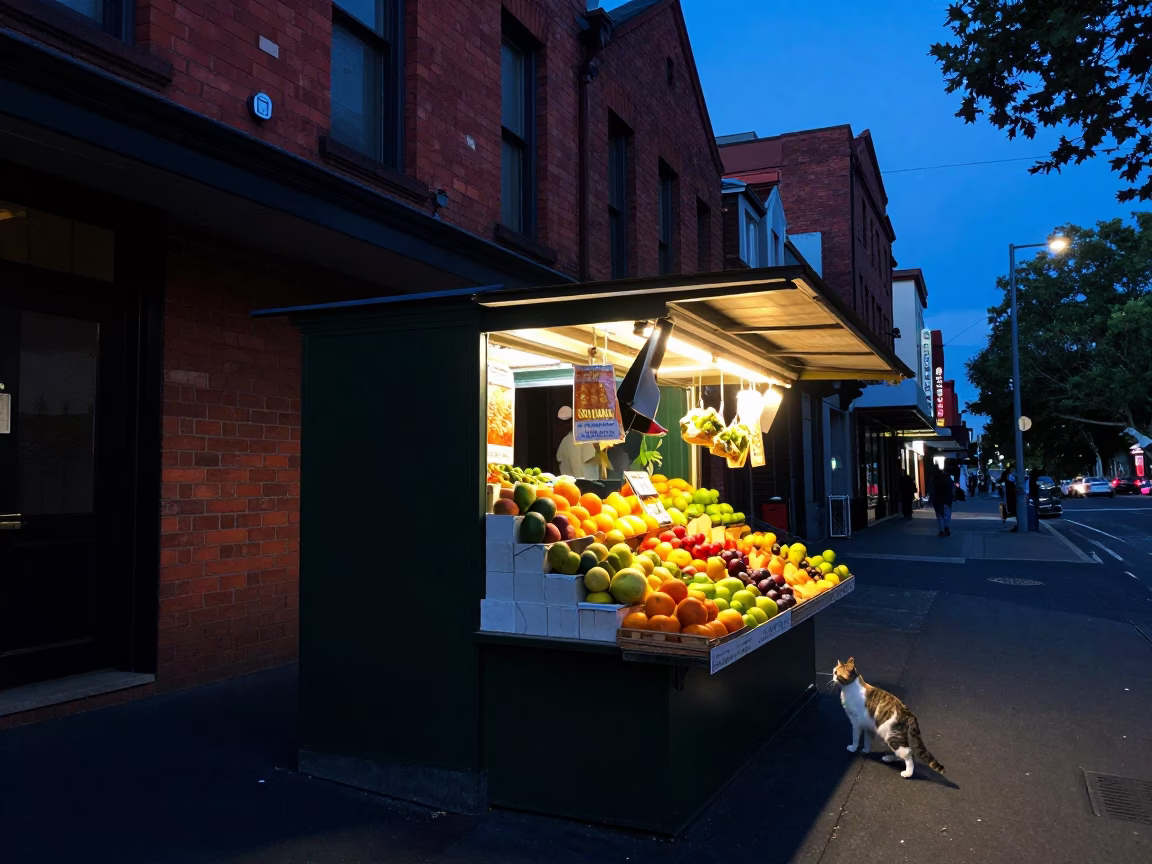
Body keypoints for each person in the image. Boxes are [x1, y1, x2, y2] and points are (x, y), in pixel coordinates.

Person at [929, 467, 955, 537]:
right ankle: (945, 526)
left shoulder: (933, 479)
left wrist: (931, 500)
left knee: (940, 516)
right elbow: (953, 490)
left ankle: (941, 530)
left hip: (937, 500)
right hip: (947, 500)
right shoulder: (949, 479)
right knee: (947, 515)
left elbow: (932, 490)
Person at [1002, 463, 1018, 532]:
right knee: (1011, 503)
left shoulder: (1009, 475)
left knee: (1010, 502)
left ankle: (1011, 511)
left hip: (1010, 491)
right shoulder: (1011, 474)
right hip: (1012, 491)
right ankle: (1012, 511)